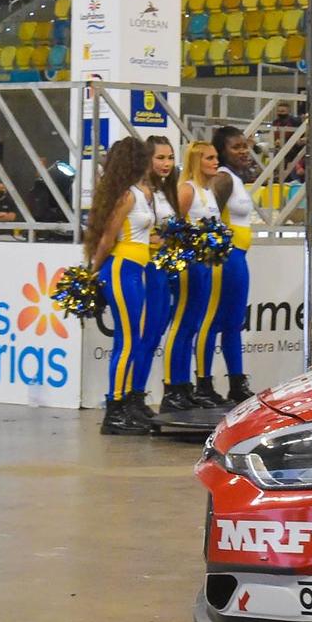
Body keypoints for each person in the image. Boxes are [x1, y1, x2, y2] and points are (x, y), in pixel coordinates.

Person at [85, 137, 157, 436]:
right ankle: (113, 410)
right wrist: (93, 271)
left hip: (135, 269)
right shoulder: (125, 196)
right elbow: (107, 238)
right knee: (127, 341)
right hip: (121, 268)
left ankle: (126, 403)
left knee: (134, 339)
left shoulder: (142, 193)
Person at [157, 141, 222, 413]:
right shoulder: (188, 190)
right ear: (197, 161)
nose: (215, 162)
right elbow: (173, 228)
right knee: (182, 323)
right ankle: (172, 387)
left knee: (193, 323)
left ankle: (184, 386)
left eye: (216, 157)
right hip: (189, 264)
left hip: (205, 264)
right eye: (210, 157)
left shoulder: (208, 191)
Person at [201, 126, 257, 405]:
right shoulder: (223, 179)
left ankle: (236, 382)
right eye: (236, 147)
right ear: (222, 152)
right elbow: (209, 215)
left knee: (234, 322)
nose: (244, 151)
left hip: (238, 258)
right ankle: (205, 383)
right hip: (226, 258)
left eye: (245, 145)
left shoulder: (235, 178)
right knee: (215, 321)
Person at [128, 137, 181, 421]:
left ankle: (139, 393)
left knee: (156, 333)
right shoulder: (137, 192)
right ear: (147, 159)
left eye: (170, 158)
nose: (166, 164)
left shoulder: (165, 191)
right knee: (144, 335)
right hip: (144, 268)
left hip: (164, 269)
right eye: (160, 158)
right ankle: (131, 395)